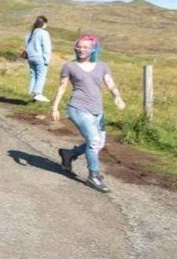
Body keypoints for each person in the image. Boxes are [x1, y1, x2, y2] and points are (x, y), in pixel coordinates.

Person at [50, 34, 127, 193]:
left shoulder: (102, 66)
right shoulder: (69, 66)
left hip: (97, 110)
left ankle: (70, 153)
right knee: (93, 141)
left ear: (93, 50)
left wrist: (117, 97)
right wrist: (55, 107)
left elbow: (110, 84)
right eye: (79, 46)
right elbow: (62, 87)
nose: (81, 49)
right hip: (77, 108)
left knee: (98, 143)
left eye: (85, 47)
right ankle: (94, 175)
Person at [24, 15, 53, 102]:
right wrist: (47, 59)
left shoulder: (29, 34)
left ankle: (32, 94)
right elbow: (46, 47)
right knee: (41, 75)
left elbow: (26, 46)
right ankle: (38, 93)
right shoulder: (44, 33)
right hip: (39, 57)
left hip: (30, 57)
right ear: (44, 24)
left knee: (33, 76)